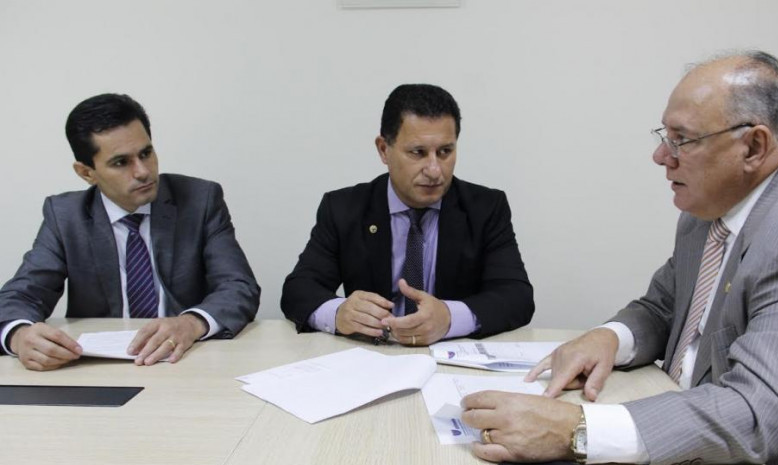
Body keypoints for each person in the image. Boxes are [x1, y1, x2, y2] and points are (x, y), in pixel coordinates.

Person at [461, 51, 778, 465]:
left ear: (754, 146)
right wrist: (610, 336)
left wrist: (576, 430)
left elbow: (758, 413)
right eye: (664, 137)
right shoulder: (707, 211)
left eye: (683, 140)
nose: (661, 156)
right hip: (693, 461)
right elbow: (661, 307)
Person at [0, 94, 261, 370]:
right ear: (86, 173)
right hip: (98, 367)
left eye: (146, 154)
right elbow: (23, 294)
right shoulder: (66, 217)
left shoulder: (199, 200)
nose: (143, 172)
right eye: (121, 162)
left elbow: (238, 286)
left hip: (184, 359)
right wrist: (18, 336)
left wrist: (191, 322)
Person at [281, 84, 534, 346]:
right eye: (418, 153)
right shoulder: (343, 208)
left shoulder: (486, 208)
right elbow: (298, 290)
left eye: (445, 152)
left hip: (450, 358)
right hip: (371, 360)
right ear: (383, 149)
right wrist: (339, 313)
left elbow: (516, 297)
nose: (435, 170)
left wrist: (449, 317)